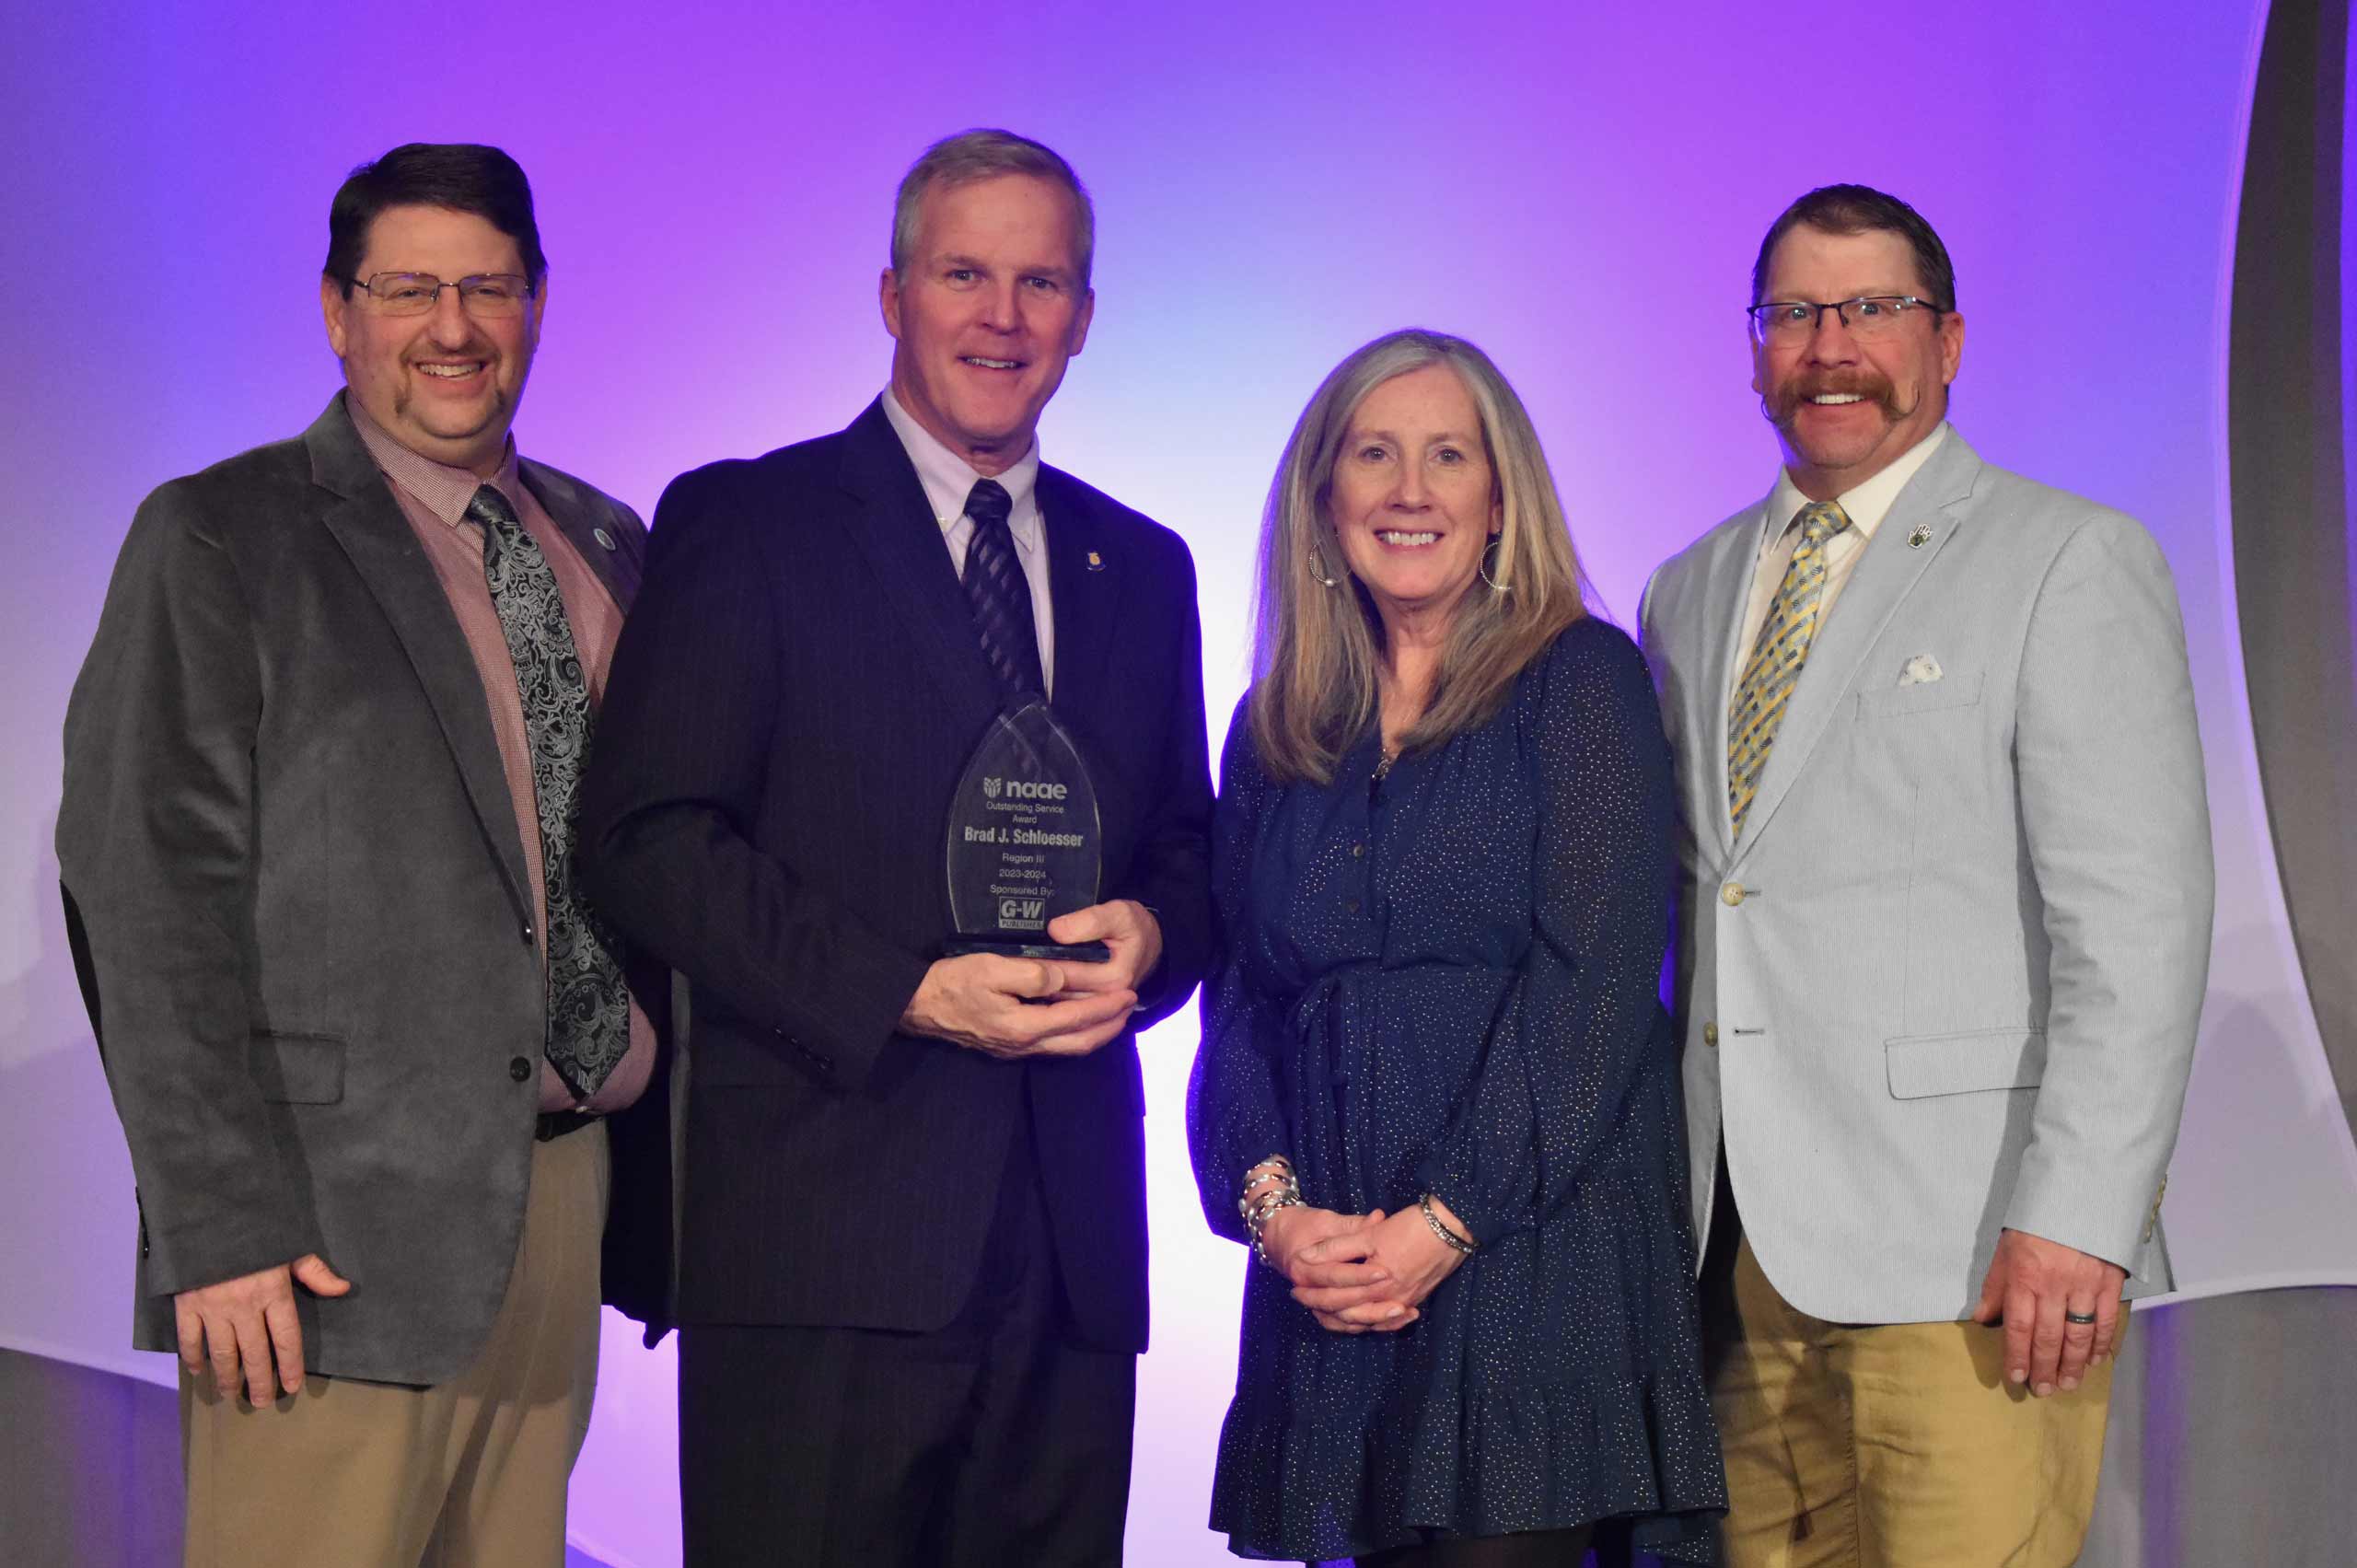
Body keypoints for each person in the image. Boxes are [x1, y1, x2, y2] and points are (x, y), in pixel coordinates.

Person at [576, 128, 1213, 1566]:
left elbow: (1187, 844)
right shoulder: (749, 521)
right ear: (891, 295)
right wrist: (902, 993)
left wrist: (1160, 940)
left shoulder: (1145, 565)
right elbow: (649, 840)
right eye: (964, 274)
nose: (1002, 316)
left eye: (1040, 281)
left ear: (1085, 320)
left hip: (1068, 1266)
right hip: (821, 1247)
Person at [55, 142, 670, 1567]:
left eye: (487, 287)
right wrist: (216, 1228)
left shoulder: (605, 541)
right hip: (325, 1244)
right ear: (338, 313)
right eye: (408, 289)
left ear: (535, 305)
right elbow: (146, 901)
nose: (452, 326)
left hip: (564, 1200)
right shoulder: (223, 537)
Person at [1639, 183, 2213, 1566]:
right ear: (1755, 346)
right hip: (1738, 1266)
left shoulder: (2067, 559)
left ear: (1948, 342)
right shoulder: (1689, 589)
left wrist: (2077, 1222)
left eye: (1873, 310)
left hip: (1974, 1264)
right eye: (1794, 313)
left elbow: (2136, 925)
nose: (1830, 345)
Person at [1188, 328, 1726, 1566]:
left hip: (1536, 1267)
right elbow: (1241, 1006)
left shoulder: (1582, 679)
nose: (1411, 490)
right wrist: (1273, 1214)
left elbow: (1594, 987)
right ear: (1323, 499)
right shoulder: (1273, 731)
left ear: (1500, 500)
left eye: (1447, 456)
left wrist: (1445, 1222)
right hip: (1336, 1281)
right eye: (1374, 455)